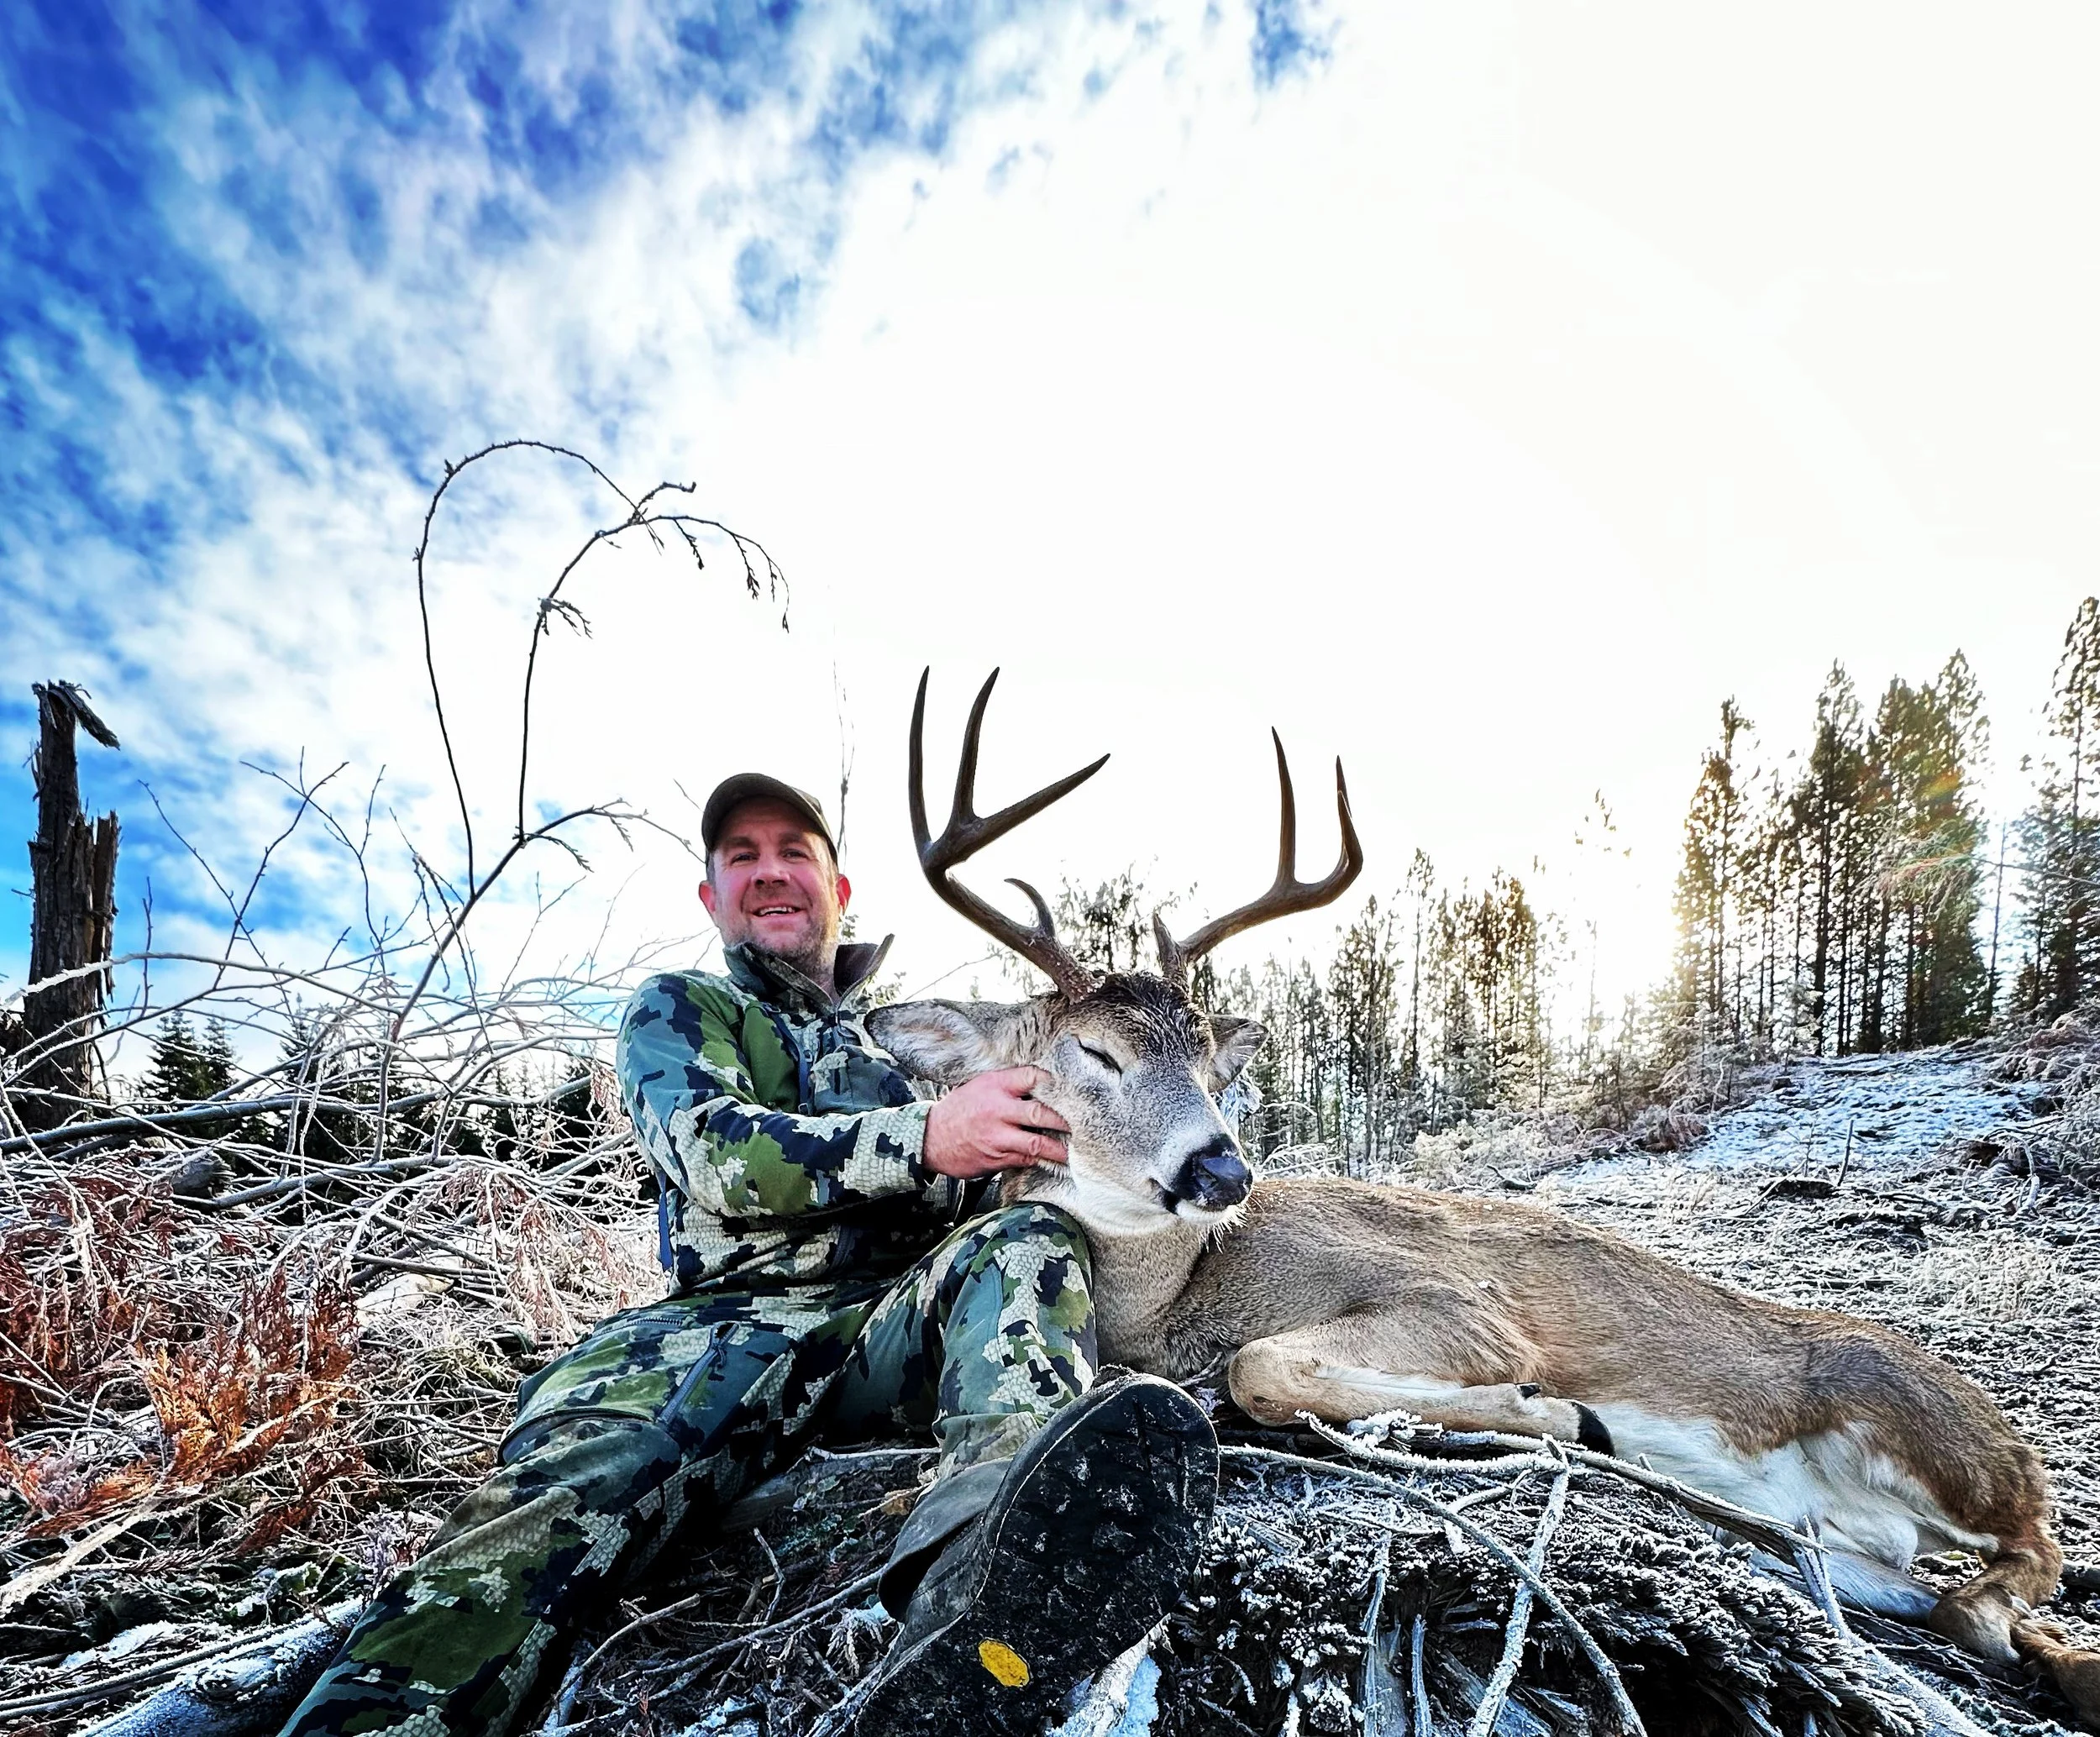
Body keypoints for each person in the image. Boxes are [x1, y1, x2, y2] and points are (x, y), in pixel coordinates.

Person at [279, 773, 1215, 1737]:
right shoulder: (683, 1012)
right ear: (712, 897)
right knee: (552, 1510)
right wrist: (925, 1135)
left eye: (793, 853)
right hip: (713, 1337)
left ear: (839, 889)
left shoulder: (906, 1048)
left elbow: (1040, 1155)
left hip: (888, 1328)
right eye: (743, 857)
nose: (770, 873)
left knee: (1030, 1239)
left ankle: (997, 1581)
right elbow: (715, 1154)